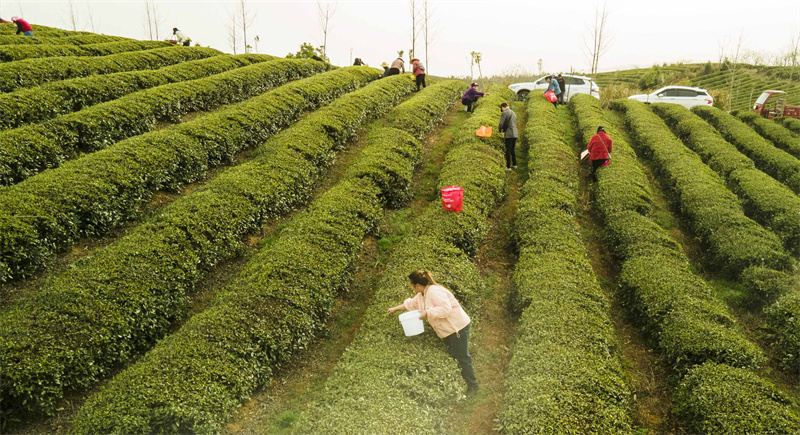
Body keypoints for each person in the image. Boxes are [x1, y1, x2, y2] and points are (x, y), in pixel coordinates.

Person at [387, 270, 479, 394]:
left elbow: (446, 309)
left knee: (462, 358)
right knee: (455, 356)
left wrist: (427, 312)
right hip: (447, 330)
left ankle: (473, 386)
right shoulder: (421, 295)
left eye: (412, 285)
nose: (411, 288)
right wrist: (395, 309)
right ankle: (465, 383)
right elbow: (411, 304)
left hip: (458, 327)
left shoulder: (434, 291)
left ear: (417, 285)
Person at [498, 102, 518, 170]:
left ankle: (508, 166)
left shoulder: (505, 113)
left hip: (509, 134)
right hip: (515, 133)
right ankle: (514, 164)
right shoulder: (513, 112)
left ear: (503, 107)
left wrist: (500, 130)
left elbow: (501, 123)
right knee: (512, 149)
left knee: (508, 150)